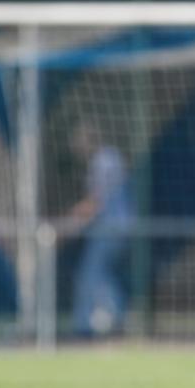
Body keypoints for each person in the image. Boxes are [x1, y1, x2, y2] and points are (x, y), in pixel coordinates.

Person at [66, 127, 134, 339]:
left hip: (112, 229)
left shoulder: (104, 160)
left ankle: (92, 326)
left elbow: (96, 201)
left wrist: (68, 223)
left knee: (91, 276)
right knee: (100, 276)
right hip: (112, 229)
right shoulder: (105, 159)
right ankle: (110, 320)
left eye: (78, 140)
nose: (75, 147)